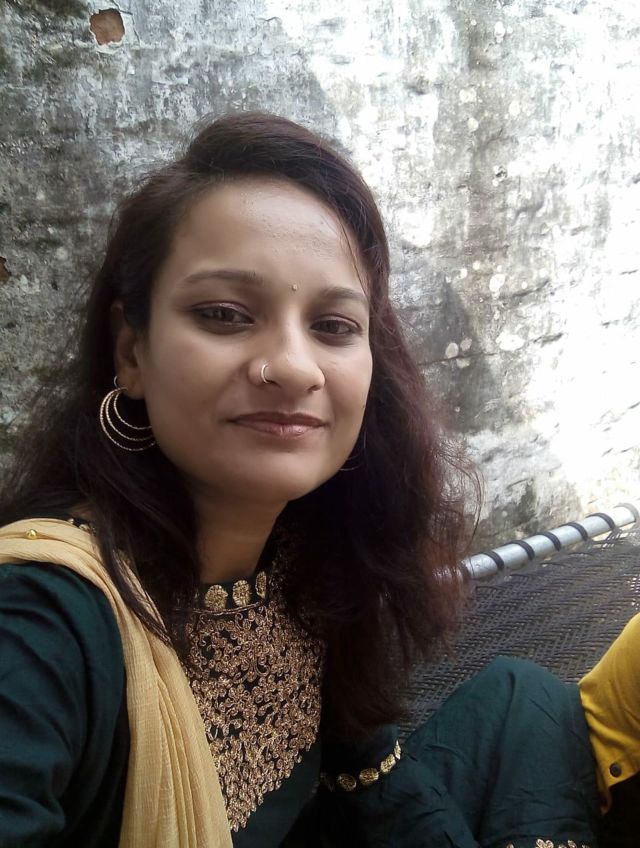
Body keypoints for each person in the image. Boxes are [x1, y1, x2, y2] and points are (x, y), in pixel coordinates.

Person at [0, 112, 635, 848]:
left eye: (333, 326)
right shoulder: (41, 627)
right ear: (131, 352)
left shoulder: (306, 559)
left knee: (529, 699)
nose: (295, 368)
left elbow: (367, 772)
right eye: (225, 314)